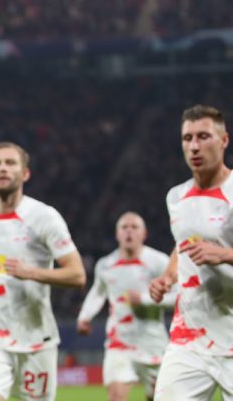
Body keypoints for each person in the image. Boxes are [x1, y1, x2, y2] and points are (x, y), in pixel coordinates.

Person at [0, 142, 86, 401]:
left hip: (36, 338)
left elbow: (77, 275)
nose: (2, 169)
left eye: (10, 163)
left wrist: (31, 272)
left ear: (25, 174)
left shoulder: (44, 217)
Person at [149, 105, 233, 401]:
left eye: (204, 136)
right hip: (189, 339)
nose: (194, 146)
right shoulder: (176, 197)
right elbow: (183, 244)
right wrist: (168, 276)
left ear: (224, 141)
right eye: (187, 138)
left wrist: (225, 255)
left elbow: (215, 249)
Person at [77, 212, 174, 401]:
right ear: (117, 234)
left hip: (153, 343)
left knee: (157, 397)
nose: (129, 231)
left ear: (144, 234)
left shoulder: (158, 261)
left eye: (134, 227)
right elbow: (98, 293)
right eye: (124, 227)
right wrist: (84, 317)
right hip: (119, 342)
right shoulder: (105, 265)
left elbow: (178, 295)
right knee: (116, 396)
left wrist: (145, 299)